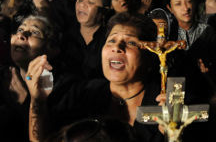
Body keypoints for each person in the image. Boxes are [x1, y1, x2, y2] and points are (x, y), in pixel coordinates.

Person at [25, 12, 164, 142]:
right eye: (111, 40)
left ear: (150, 57)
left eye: (131, 43)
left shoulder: (165, 104)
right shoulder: (82, 95)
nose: (117, 47)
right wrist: (37, 101)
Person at [0, 15, 59, 141]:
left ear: (50, 48)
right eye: (20, 30)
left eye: (35, 32)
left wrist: (27, 101)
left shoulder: (63, 86)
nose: (22, 35)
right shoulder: (5, 75)